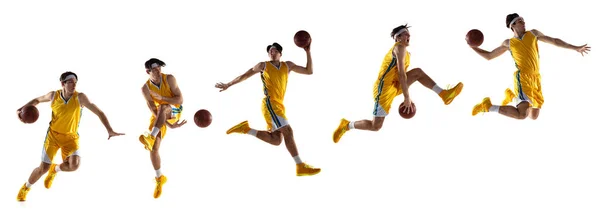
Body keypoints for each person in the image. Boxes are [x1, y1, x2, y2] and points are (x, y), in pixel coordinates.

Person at [332, 24, 464, 143]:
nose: (409, 36)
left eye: (409, 34)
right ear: (398, 37)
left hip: (395, 84)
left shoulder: (407, 53)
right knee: (376, 126)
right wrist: (407, 97)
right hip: (384, 88)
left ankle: (444, 94)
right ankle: (347, 125)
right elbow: (401, 74)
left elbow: (403, 75)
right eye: (405, 33)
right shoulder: (399, 48)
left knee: (418, 72)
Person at [215, 42, 321, 176]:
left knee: (277, 140)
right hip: (270, 104)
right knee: (288, 131)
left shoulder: (288, 65)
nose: (272, 52)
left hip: (279, 105)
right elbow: (245, 75)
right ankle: (300, 165)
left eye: (275, 50)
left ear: (280, 54)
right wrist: (228, 84)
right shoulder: (263, 65)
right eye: (270, 50)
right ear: (268, 54)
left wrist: (307, 52)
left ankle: (245, 129)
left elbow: (309, 71)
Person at [16, 71, 124, 202]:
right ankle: (26, 187)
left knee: (74, 166)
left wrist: (110, 130)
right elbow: (37, 100)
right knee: (42, 169)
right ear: (63, 84)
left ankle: (55, 169)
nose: (74, 85)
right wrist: (22, 109)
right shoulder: (53, 95)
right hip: (53, 136)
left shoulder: (80, 97)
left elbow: (99, 112)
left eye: (75, 82)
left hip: (71, 138)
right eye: (71, 82)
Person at [470, 13, 591, 119]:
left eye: (523, 20)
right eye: (520, 21)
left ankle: (512, 97)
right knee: (522, 115)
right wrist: (473, 47)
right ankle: (488, 106)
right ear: (512, 25)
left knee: (533, 116)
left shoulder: (533, 34)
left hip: (536, 78)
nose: (524, 23)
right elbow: (489, 56)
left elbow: (555, 41)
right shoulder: (509, 43)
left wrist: (576, 48)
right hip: (523, 77)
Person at [139, 58, 187, 198]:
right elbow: (153, 109)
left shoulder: (170, 78)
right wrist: (168, 124)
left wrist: (161, 97)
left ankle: (151, 136)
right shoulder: (145, 88)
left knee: (163, 106)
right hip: (159, 116)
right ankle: (160, 178)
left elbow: (180, 100)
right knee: (154, 148)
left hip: (174, 110)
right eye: (154, 69)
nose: (158, 70)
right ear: (148, 72)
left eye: (159, 67)